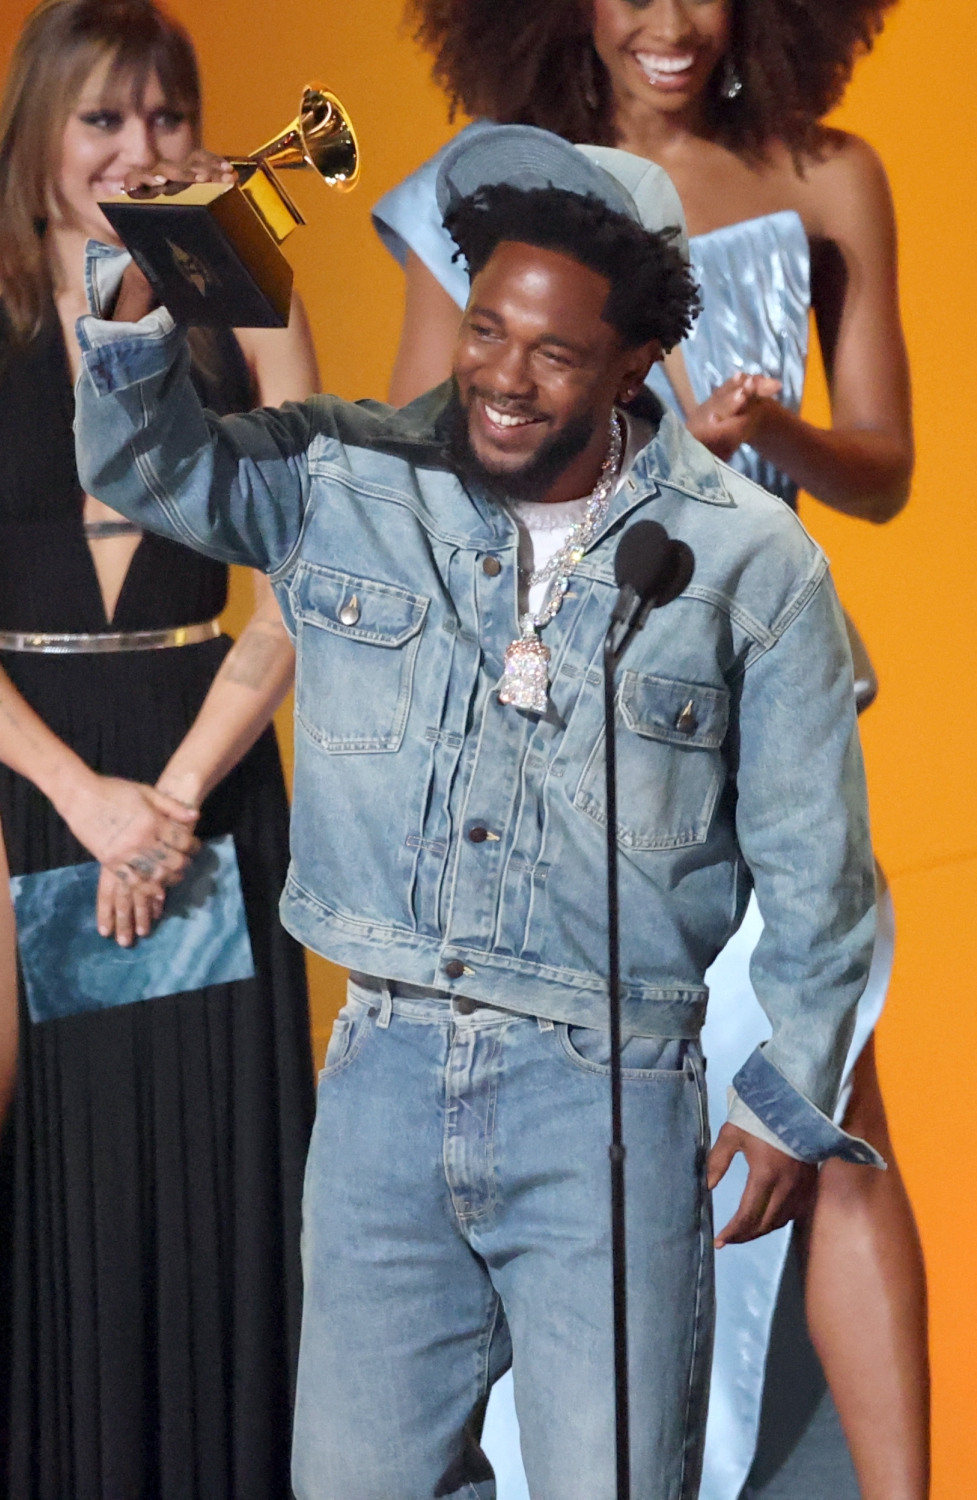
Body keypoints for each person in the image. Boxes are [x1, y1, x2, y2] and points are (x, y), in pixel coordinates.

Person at [75, 123, 882, 1500]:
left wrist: (789, 1097)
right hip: (384, 1072)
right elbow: (149, 470)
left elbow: (824, 877)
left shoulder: (753, 565)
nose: (504, 378)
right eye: (487, 328)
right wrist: (145, 292)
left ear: (634, 362)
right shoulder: (349, 480)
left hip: (610, 1102)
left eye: (555, 352)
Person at [372, 4, 927, 1497]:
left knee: (837, 1107)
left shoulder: (826, 174)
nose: (669, 20)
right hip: (566, 724)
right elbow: (422, 463)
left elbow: (884, 465)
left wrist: (773, 436)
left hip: (771, 702)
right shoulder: (486, 190)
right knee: (564, 1113)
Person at [0, 1, 317, 1494]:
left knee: (207, 1202)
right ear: (40, 135)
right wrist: (78, 793)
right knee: (40, 1189)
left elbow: (322, 571)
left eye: (167, 117)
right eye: (103, 120)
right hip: (16, 778)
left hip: (209, 777)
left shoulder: (249, 289)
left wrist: (174, 800)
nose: (140, 149)